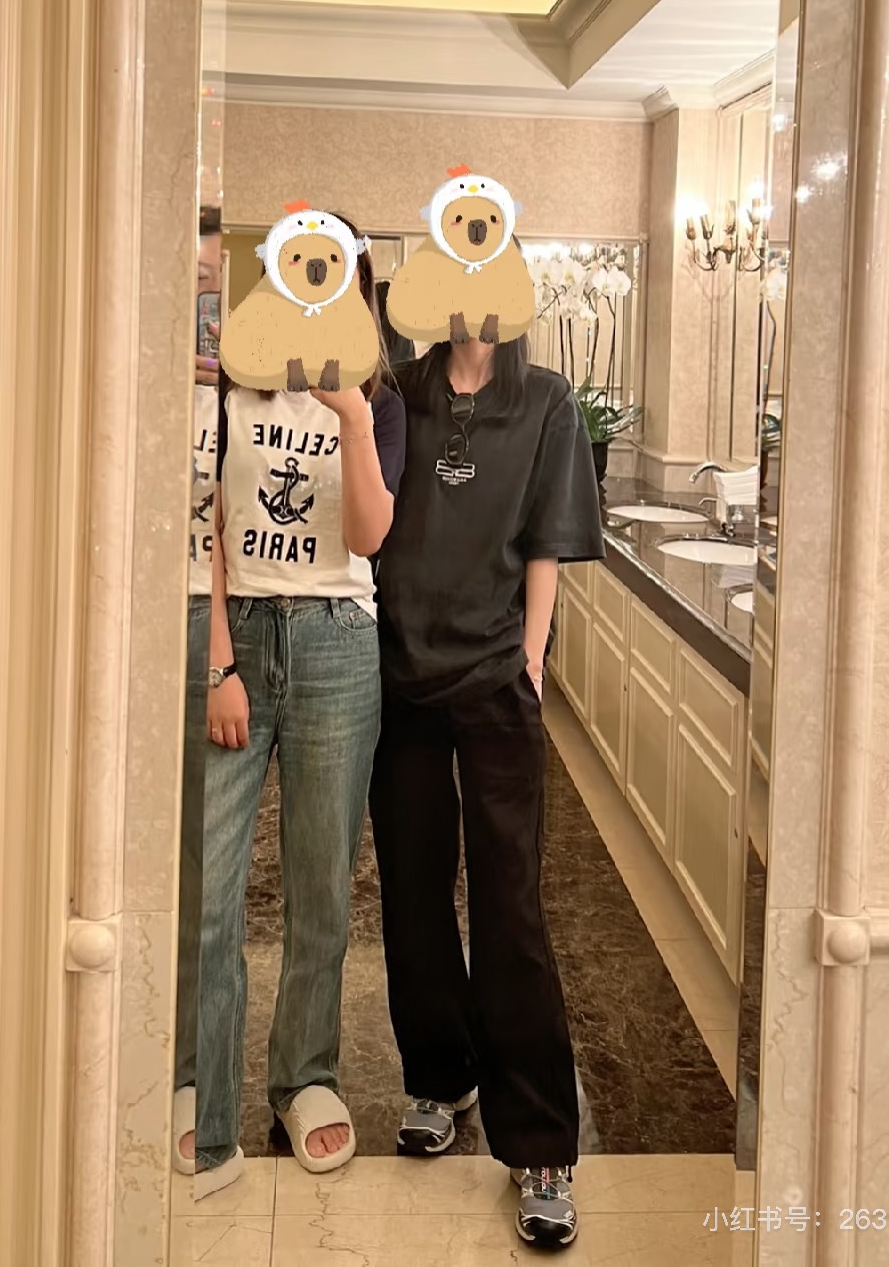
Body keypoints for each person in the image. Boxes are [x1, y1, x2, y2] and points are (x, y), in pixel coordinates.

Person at [182, 213, 406, 1197]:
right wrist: (217, 664)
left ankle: (305, 1076)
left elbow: (369, 536)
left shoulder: (380, 404)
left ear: (356, 293)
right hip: (238, 639)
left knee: (320, 888)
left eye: (336, 278)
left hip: (336, 645)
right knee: (209, 890)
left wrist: (351, 417)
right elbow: (210, 531)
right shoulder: (227, 392)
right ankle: (200, 1086)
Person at [369, 322, 604, 1251]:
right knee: (413, 893)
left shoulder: (545, 402)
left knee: (512, 905)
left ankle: (541, 1144)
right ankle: (440, 1073)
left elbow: (547, 540)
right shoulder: (398, 390)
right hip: (399, 673)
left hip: (500, 675)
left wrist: (533, 655)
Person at [173, 208, 223, 1178]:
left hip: (207, 611)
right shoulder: (127, 381)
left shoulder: (241, 391)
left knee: (202, 860)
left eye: (214, 287)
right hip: (127, 618)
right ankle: (169, 1063)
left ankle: (190, 1070)